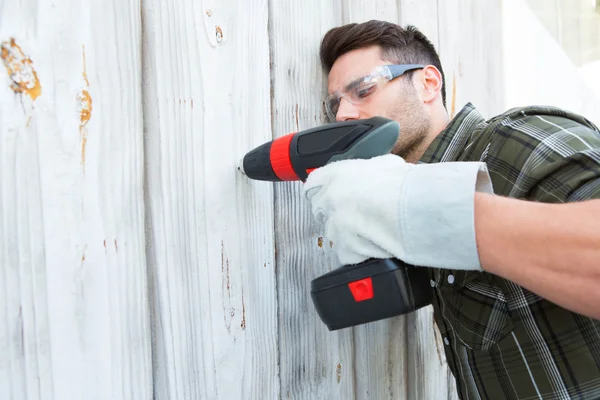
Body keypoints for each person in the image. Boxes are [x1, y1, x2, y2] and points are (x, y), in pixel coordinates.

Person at [304, 20, 600, 400]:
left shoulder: (520, 140)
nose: (344, 113)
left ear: (429, 83)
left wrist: (423, 208)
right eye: (335, 106)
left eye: (364, 89)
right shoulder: (406, 193)